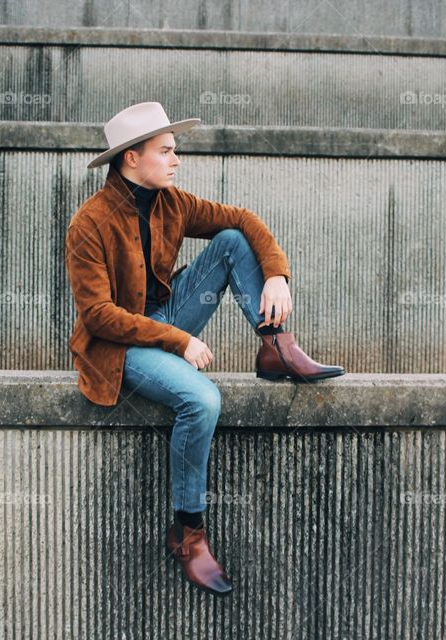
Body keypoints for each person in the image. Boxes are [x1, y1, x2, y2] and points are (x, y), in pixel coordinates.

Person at [65, 101, 345, 596]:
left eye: (176, 151)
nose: (177, 160)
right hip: (119, 347)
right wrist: (179, 339)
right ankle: (188, 531)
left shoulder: (171, 202)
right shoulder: (90, 223)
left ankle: (276, 346)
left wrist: (277, 274)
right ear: (131, 158)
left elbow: (243, 218)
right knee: (202, 399)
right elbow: (99, 317)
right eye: (166, 151)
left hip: (168, 319)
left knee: (234, 239)